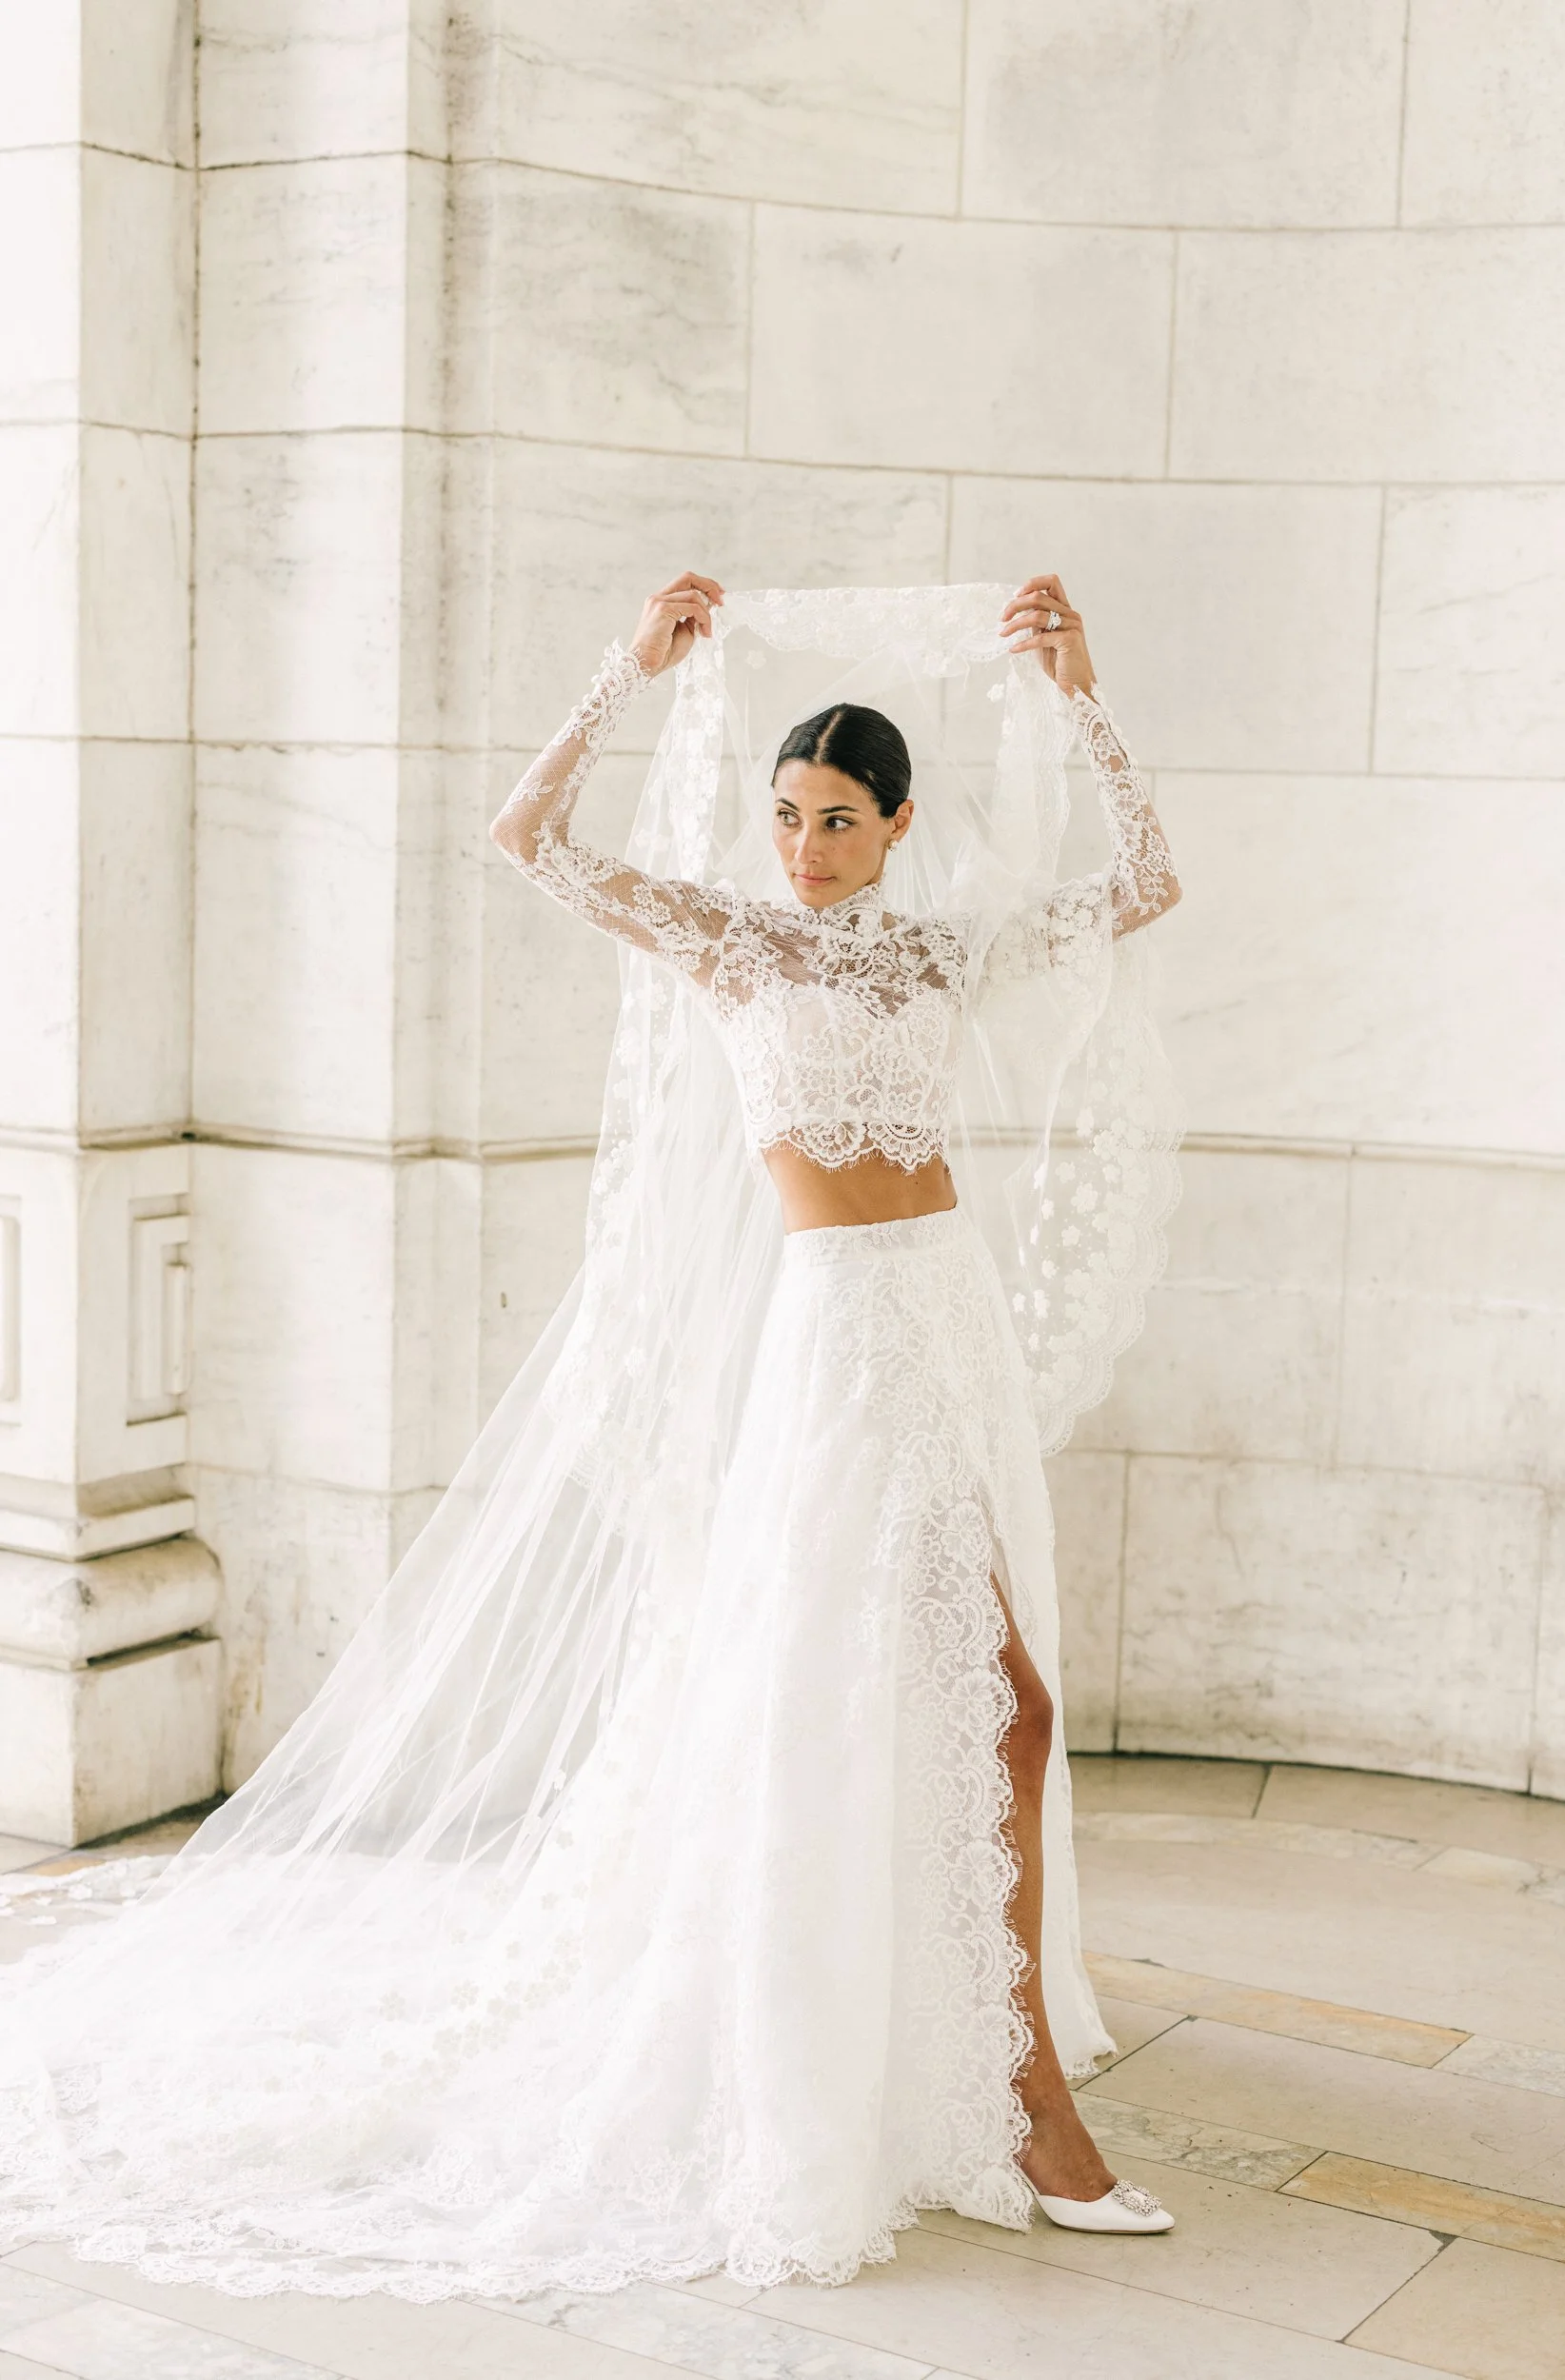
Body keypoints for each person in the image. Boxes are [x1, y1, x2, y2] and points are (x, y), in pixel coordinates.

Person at [0, 573, 1181, 2299]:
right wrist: (621, 674)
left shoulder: (935, 946)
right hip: (843, 1343)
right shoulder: (733, 940)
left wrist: (1084, 693)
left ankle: (964, 2065)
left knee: (980, 1704)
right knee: (956, 1699)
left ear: (900, 824)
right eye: (786, 815)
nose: (804, 846)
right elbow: (526, 833)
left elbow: (1145, 887)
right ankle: (1009, 2104)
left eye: (839, 820)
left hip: (948, 1324)